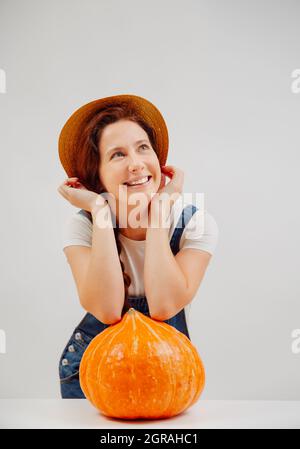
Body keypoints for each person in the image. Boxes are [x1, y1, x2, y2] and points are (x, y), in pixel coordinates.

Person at [57, 94, 219, 398]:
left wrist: (158, 213)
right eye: (117, 155)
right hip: (92, 376)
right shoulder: (83, 226)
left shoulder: (196, 225)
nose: (136, 164)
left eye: (143, 148)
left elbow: (164, 306)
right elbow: (106, 310)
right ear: (98, 176)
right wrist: (100, 211)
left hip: (167, 371)